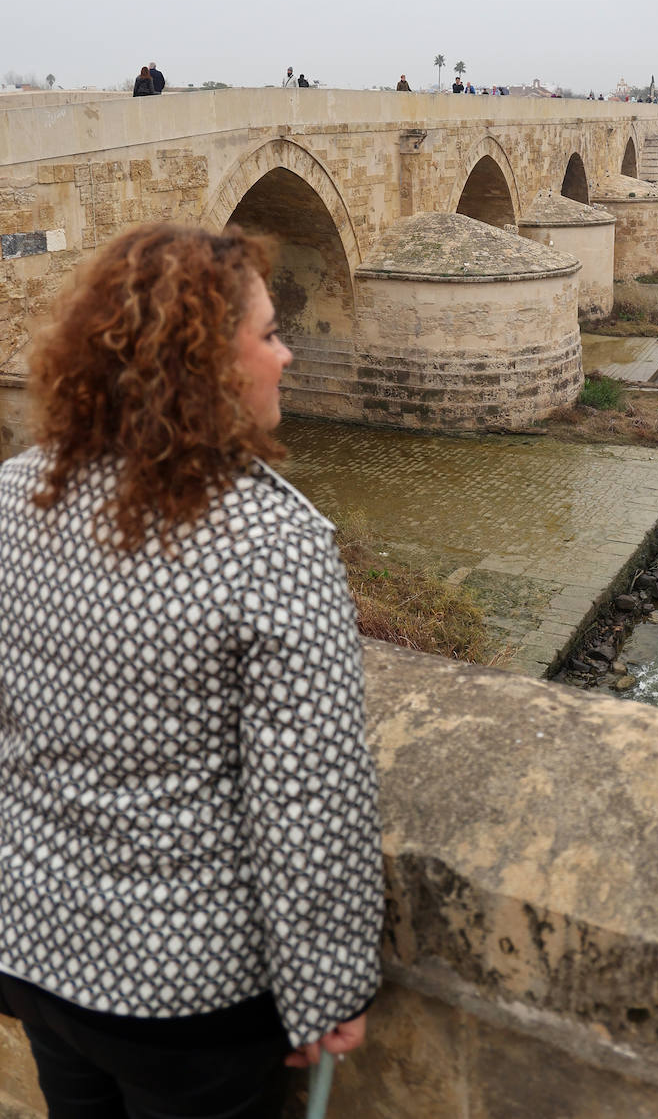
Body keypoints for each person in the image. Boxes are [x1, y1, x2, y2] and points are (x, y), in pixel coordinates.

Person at [0, 223, 384, 1119]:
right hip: (184, 997)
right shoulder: (269, 544)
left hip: (37, 957)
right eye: (269, 334)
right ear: (205, 365)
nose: (289, 355)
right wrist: (327, 992)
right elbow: (309, 801)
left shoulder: (17, 493)